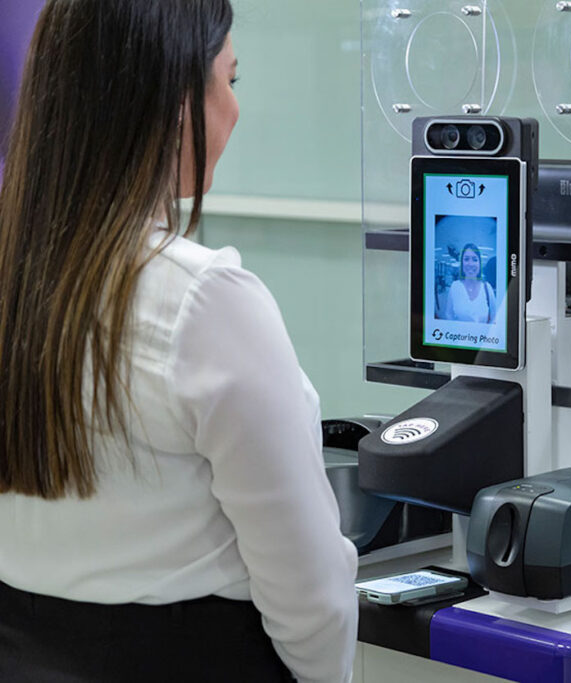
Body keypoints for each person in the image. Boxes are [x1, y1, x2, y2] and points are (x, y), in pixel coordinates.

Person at [0, 2, 357, 681]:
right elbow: (312, 600)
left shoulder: (14, 284)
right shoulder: (203, 302)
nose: (235, 109)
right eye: (229, 80)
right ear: (168, 103)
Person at [443, 243, 496, 323]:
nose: (470, 264)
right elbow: (448, 314)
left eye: (475, 259)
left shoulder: (487, 288)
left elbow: (494, 317)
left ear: (479, 263)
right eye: (466, 259)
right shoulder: (455, 286)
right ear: (462, 263)